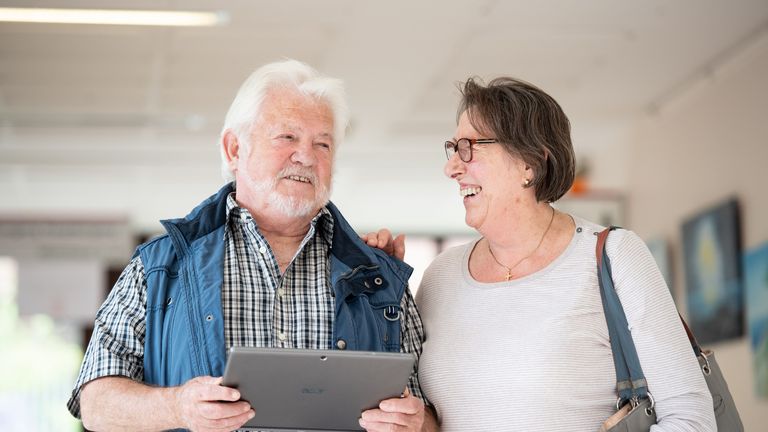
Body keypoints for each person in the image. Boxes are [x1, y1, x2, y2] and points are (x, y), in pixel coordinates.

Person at [67, 59, 432, 432]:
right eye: (287, 137)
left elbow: (431, 414)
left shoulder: (379, 278)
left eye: (322, 143)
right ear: (234, 149)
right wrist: (178, 407)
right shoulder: (160, 266)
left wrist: (415, 425)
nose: (306, 156)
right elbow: (96, 404)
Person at [414, 77, 717, 431]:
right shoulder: (440, 277)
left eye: (470, 147)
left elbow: (691, 418)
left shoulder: (614, 256)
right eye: (453, 148)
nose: (451, 167)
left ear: (529, 163)